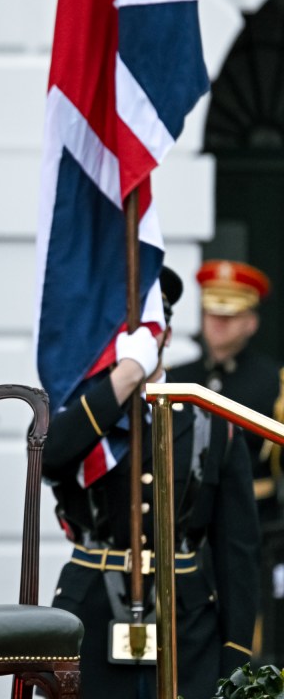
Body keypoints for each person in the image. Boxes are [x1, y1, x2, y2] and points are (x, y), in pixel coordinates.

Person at [43, 267, 260, 699]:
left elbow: (237, 549)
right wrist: (123, 379)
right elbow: (48, 461)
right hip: (91, 614)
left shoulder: (209, 419)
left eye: (150, 326)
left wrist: (235, 654)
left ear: (167, 332)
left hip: (187, 624)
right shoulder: (82, 408)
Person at [168, 259, 284, 662]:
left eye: (230, 316)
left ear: (251, 322)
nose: (218, 324)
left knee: (254, 645)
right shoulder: (174, 379)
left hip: (257, 530)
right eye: (212, 314)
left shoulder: (275, 382)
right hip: (186, 532)